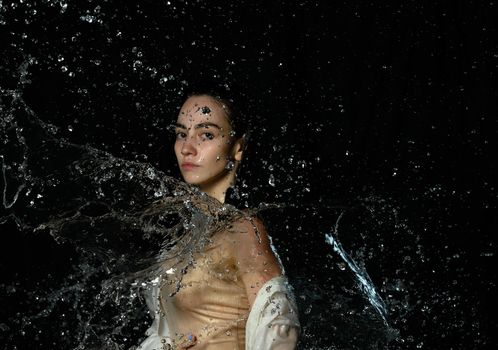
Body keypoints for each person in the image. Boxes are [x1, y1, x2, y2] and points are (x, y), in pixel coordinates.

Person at [138, 88, 300, 350]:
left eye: (206, 134)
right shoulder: (182, 240)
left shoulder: (244, 229)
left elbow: (279, 325)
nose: (187, 148)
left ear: (237, 148)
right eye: (182, 134)